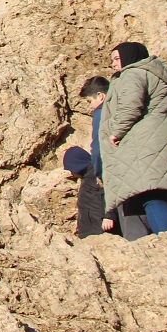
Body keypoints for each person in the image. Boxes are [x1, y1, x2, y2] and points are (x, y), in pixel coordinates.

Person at [99, 41, 167, 240]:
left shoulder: (133, 74)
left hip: (145, 144)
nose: (113, 64)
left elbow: (130, 105)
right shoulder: (153, 74)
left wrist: (116, 132)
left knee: (150, 194)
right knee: (157, 193)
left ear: (130, 57)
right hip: (158, 142)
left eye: (117, 58)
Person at [63, 76, 118, 238]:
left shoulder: (101, 113)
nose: (90, 106)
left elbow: (98, 146)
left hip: (97, 232)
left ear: (100, 96)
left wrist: (109, 215)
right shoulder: (117, 111)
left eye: (89, 101)